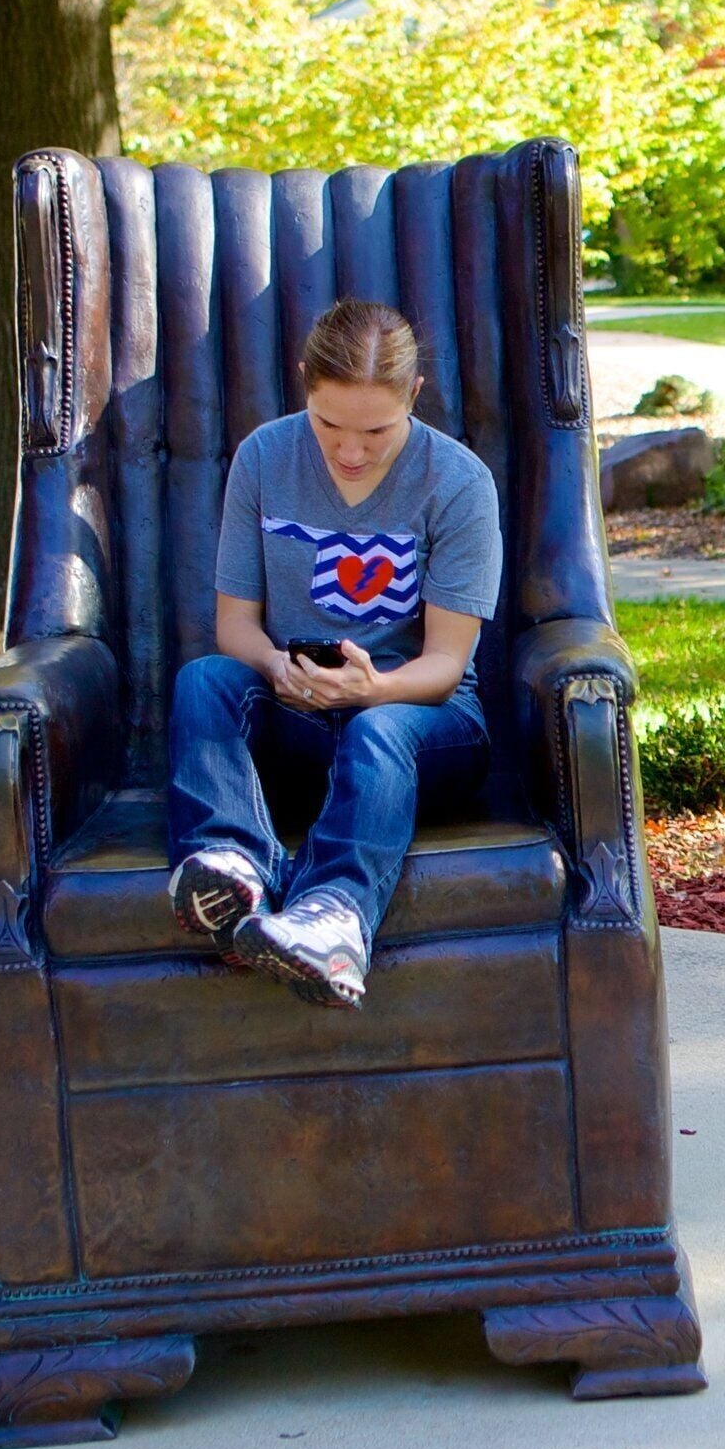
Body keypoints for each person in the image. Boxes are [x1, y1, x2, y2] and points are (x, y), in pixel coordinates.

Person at [167, 298, 501, 1005]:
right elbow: (235, 627)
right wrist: (274, 667)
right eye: (329, 425)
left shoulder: (460, 483)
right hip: (302, 714)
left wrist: (369, 691)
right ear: (303, 386)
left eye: (376, 430)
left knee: (379, 730)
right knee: (205, 681)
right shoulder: (263, 456)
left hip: (420, 725)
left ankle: (335, 920)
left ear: (414, 395)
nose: (350, 452)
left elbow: (444, 668)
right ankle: (232, 868)